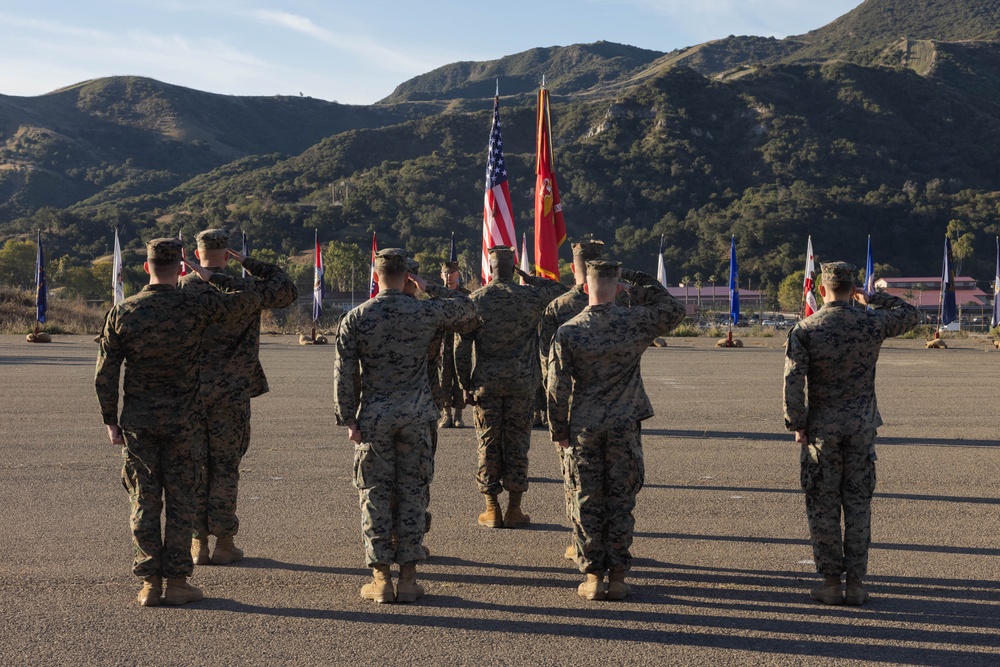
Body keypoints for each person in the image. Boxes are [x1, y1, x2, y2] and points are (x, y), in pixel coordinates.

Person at [95, 238, 261, 607]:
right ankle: (178, 582)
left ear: (146, 267)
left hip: (139, 420)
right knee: (182, 500)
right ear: (181, 267)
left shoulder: (124, 311)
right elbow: (249, 299)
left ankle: (150, 583)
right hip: (184, 419)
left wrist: (111, 421)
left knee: (144, 500)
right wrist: (211, 275)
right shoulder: (196, 305)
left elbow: (105, 373)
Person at [334, 248, 475, 604]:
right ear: (406, 276)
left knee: (375, 495)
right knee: (413, 493)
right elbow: (470, 311)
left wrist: (348, 418)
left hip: (375, 417)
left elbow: (344, 374)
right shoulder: (426, 311)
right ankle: (409, 579)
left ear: (376, 274)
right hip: (417, 416)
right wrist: (430, 289)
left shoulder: (357, 317)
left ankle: (381, 578)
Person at [783, 261, 919, 606]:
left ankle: (831, 583)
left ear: (821, 288)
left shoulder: (806, 328)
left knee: (823, 505)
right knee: (858, 504)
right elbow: (910, 314)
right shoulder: (872, 322)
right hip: (861, 427)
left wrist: (797, 424)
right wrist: (873, 298)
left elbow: (793, 381)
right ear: (852, 287)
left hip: (821, 431)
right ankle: (856, 583)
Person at [547, 261, 685, 601]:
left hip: (584, 427)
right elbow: (674, 309)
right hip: (623, 425)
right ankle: (619, 576)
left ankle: (593, 577)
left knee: (586, 500)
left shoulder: (569, 330)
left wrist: (558, 430)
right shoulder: (634, 323)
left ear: (584, 288)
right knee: (621, 501)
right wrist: (638, 279)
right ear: (618, 289)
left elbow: (556, 388)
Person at [180, 229, 298, 566]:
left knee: (195, 465)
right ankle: (224, 542)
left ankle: (196, 542)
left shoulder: (181, 291)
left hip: (190, 392)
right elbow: (286, 289)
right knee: (226, 466)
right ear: (226, 252)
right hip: (232, 391)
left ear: (197, 252)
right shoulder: (245, 289)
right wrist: (249, 262)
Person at [455, 245, 566, 528]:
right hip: (522, 384)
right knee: (518, 444)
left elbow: (462, 347)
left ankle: (491, 509)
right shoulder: (529, 296)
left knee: (488, 444)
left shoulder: (477, 299)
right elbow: (562, 292)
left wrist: (464, 384)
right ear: (513, 267)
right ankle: (514, 510)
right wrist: (531, 279)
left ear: (490, 268)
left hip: (486, 386)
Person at [538, 239, 607, 559]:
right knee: (616, 483)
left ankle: (581, 542)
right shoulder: (623, 306)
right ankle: (612, 547)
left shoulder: (559, 307)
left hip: (575, 409)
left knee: (577, 482)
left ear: (572, 267)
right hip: (620, 408)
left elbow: (547, 364)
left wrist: (554, 418)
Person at [437, 261, 471, 428]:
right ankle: (446, 414)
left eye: (452, 273)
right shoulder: (437, 296)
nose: (449, 277)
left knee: (459, 377)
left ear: (458, 275)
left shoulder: (466, 295)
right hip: (442, 343)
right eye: (446, 273)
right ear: (441, 275)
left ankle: (458, 414)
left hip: (460, 342)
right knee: (443, 378)